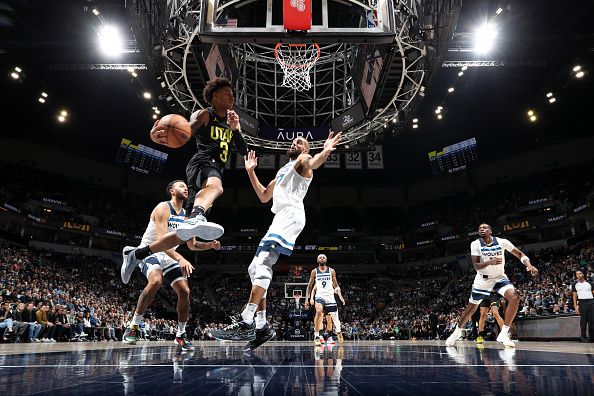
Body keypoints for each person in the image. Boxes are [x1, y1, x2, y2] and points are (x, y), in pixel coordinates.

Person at [210, 132, 342, 352]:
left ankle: (246, 320)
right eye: (294, 141)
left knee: (263, 262)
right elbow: (263, 196)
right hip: (279, 217)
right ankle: (262, 328)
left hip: (291, 215)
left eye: (300, 142)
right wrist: (251, 171)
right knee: (255, 268)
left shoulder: (303, 161)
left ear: (305, 149)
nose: (295, 143)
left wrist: (326, 150)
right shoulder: (282, 171)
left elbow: (314, 162)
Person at [121, 77, 248, 280]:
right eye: (227, 93)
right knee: (218, 187)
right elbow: (186, 130)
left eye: (232, 93)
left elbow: (243, 149)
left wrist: (235, 128)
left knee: (184, 236)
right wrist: (158, 138)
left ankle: (137, 254)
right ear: (215, 96)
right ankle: (198, 215)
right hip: (204, 162)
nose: (232, 96)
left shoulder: (231, 121)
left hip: (211, 171)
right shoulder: (206, 114)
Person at [121, 180, 221, 350]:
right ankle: (133, 327)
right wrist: (181, 258)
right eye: (181, 186)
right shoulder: (163, 207)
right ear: (172, 191)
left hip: (170, 256)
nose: (185, 188)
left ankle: (181, 334)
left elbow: (192, 245)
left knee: (185, 291)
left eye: (186, 186)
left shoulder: (187, 217)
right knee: (156, 281)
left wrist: (209, 245)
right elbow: (160, 242)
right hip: (150, 251)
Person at [445, 223, 538, 348]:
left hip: (499, 277)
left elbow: (521, 254)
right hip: (483, 280)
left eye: (484, 228)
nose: (482, 229)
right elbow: (476, 266)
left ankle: (504, 333)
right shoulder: (475, 244)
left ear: (491, 231)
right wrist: (490, 262)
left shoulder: (502, 242)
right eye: (480, 228)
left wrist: (529, 265)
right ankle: (456, 332)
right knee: (471, 308)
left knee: (515, 297)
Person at [305, 254, 345, 346]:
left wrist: (340, 296)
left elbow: (336, 286)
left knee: (335, 319)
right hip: (320, 296)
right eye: (320, 257)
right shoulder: (314, 271)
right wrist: (307, 299)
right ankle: (317, 336)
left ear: (326, 260)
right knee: (318, 311)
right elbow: (310, 286)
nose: (322, 258)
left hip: (330, 297)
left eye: (323, 257)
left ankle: (338, 331)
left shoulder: (331, 271)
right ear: (317, 260)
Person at [571, 269, 594, 342]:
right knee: (583, 321)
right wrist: (575, 307)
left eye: (580, 273)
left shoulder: (590, 283)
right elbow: (574, 296)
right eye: (577, 274)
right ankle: (583, 337)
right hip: (582, 302)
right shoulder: (574, 284)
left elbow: (593, 293)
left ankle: (592, 337)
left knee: (592, 321)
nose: (578, 275)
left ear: (583, 274)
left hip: (591, 302)